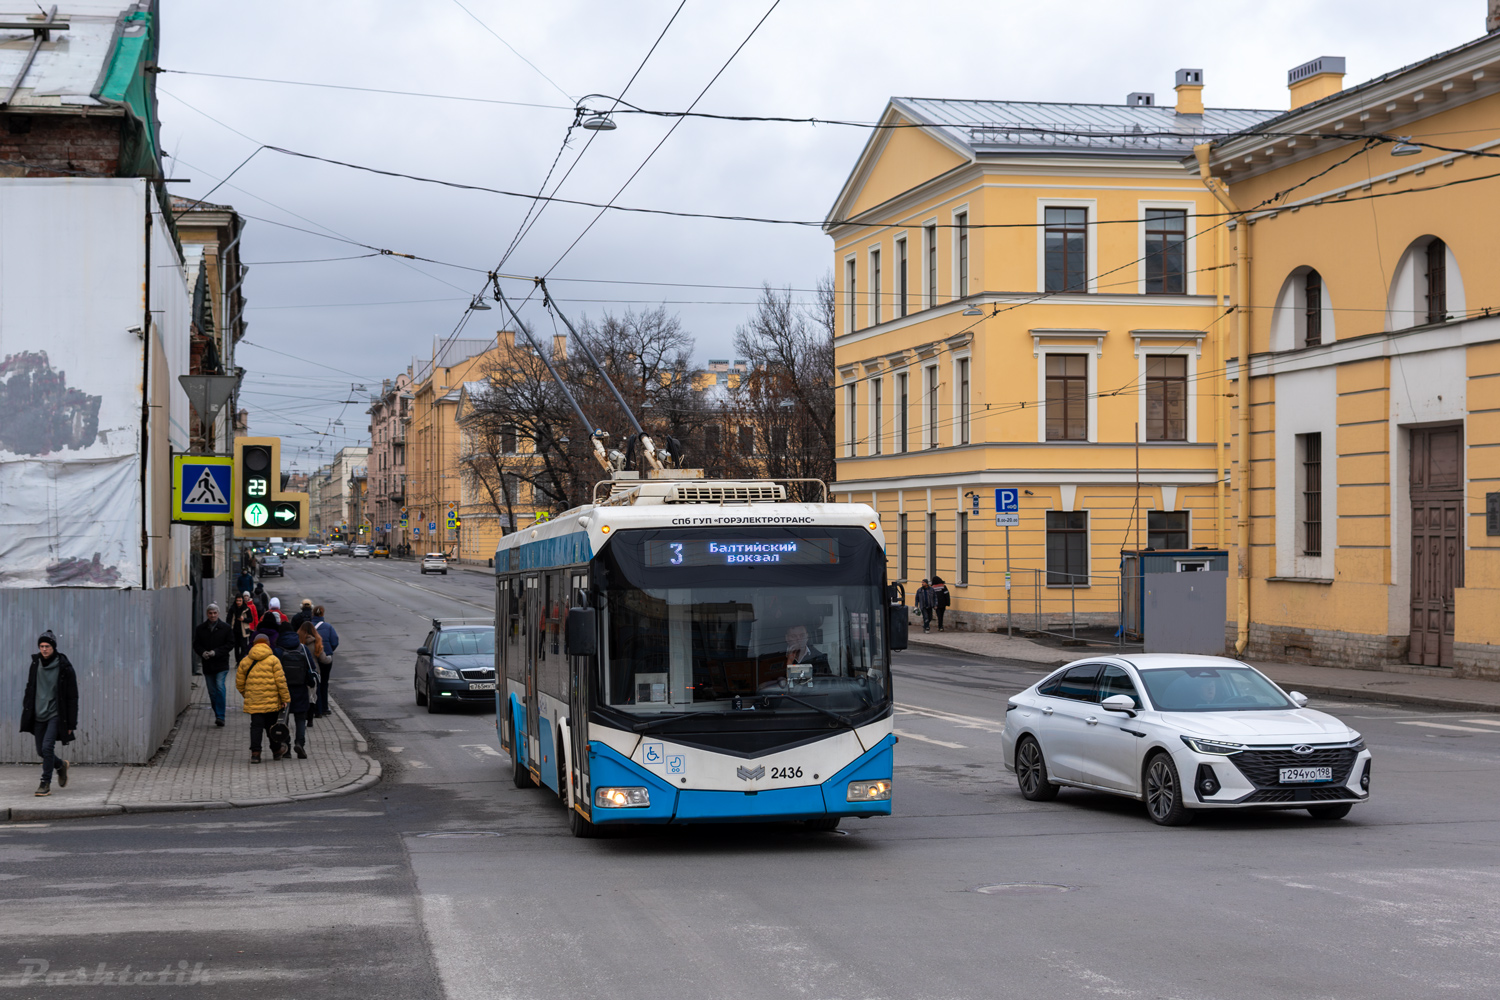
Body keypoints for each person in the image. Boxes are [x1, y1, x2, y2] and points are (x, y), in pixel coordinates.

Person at [19, 631, 78, 797]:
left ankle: (45, 783)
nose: (44, 649)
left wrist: (71, 724)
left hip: (56, 714)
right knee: (41, 751)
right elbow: (30, 687)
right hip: (38, 713)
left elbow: (72, 697)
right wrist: (27, 706)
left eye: (47, 646)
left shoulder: (65, 667)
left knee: (47, 747)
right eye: (41, 646)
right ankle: (60, 765)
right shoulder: (35, 663)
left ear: (53, 647)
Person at [236, 635, 290, 763]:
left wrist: (248, 694)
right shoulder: (273, 660)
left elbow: (239, 684)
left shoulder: (245, 661)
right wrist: (285, 699)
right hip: (272, 702)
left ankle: (255, 753)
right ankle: (276, 751)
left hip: (254, 701)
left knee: (256, 727)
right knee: (272, 727)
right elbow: (281, 682)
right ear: (268, 643)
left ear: (254, 644)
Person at [192, 604, 236, 727]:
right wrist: (203, 652)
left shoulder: (226, 628)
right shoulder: (200, 629)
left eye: (215, 613)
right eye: (210, 613)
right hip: (208, 665)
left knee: (220, 687)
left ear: (218, 613)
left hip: (221, 664)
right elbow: (196, 644)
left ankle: (220, 716)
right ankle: (218, 713)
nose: (212, 615)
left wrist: (216, 652)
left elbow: (230, 644)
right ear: (207, 614)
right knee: (212, 692)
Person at [277, 627, 319, 758]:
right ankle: (299, 743)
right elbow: (311, 667)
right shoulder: (303, 648)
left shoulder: (278, 650)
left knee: (283, 719)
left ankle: (286, 748)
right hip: (300, 688)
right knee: (301, 719)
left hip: (283, 690)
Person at [311, 605, 340, 718]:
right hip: (326, 657)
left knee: (313, 682)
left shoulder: (308, 627)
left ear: (313, 614)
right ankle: (324, 707)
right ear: (322, 614)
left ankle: (314, 707)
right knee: (324, 682)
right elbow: (335, 641)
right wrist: (328, 651)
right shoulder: (328, 627)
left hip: (312, 658)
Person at [228, 593, 260, 660]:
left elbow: (251, 619)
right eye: (237, 601)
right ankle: (238, 660)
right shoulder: (232, 609)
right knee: (236, 647)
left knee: (244, 646)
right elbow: (228, 619)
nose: (238, 602)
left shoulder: (246, 609)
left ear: (242, 601)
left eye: (240, 600)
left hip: (244, 631)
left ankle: (241, 660)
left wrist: (244, 619)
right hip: (235, 630)